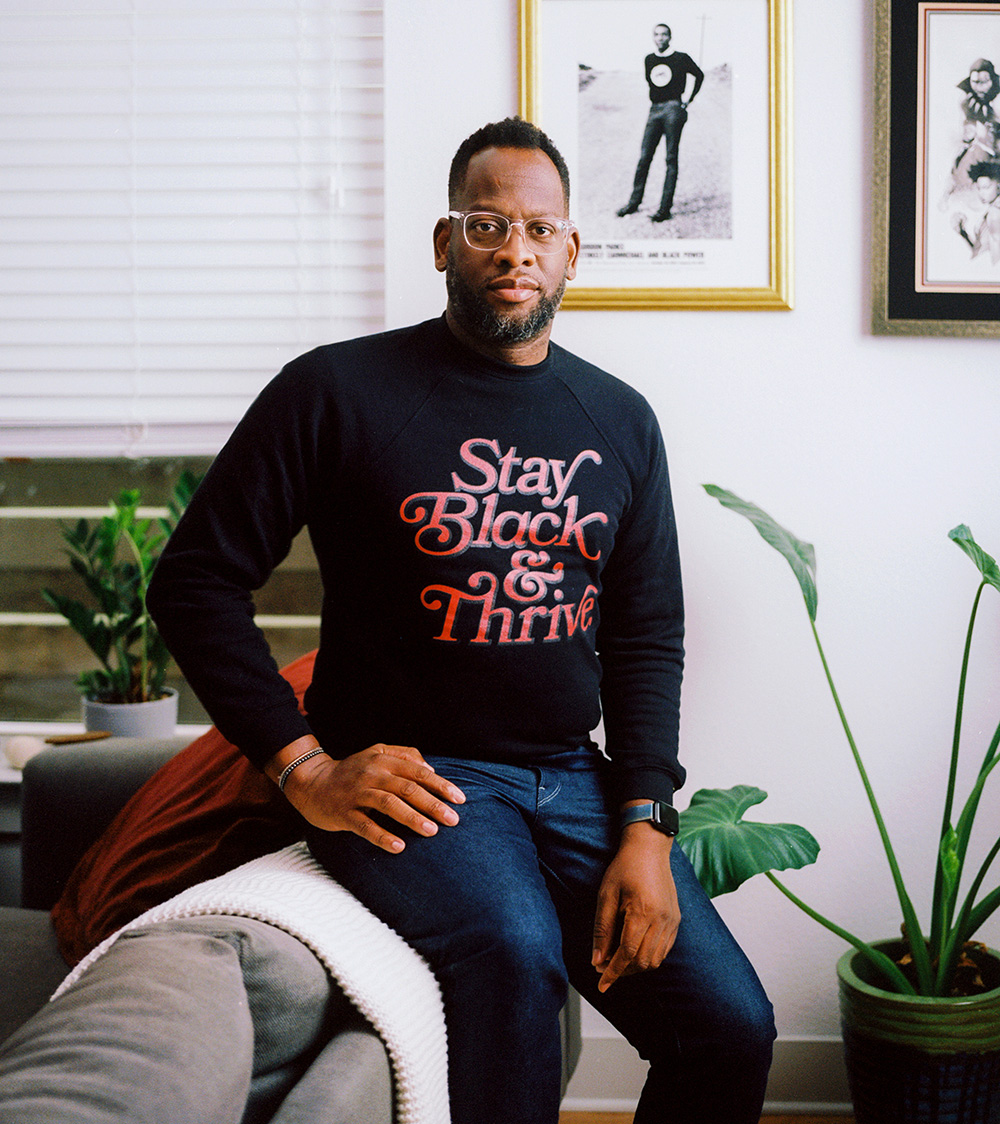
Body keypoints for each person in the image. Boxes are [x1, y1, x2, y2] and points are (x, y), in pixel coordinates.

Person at [145, 116, 775, 1124]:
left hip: (572, 773)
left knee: (730, 1026)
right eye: (486, 223)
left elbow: (645, 631)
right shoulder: (336, 390)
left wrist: (646, 822)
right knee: (515, 958)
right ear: (445, 244)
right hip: (417, 777)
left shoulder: (618, 419)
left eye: (537, 228)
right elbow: (194, 580)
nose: (513, 249)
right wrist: (302, 764)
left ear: (572, 250)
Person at [616, 24, 704, 222]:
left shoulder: (681, 58)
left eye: (664, 34)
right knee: (644, 157)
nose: (660, 38)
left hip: (674, 109)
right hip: (654, 109)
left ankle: (665, 208)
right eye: (656, 34)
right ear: (653, 38)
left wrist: (688, 100)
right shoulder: (649, 59)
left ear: (670, 37)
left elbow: (699, 75)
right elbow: (652, 82)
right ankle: (634, 202)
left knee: (670, 158)